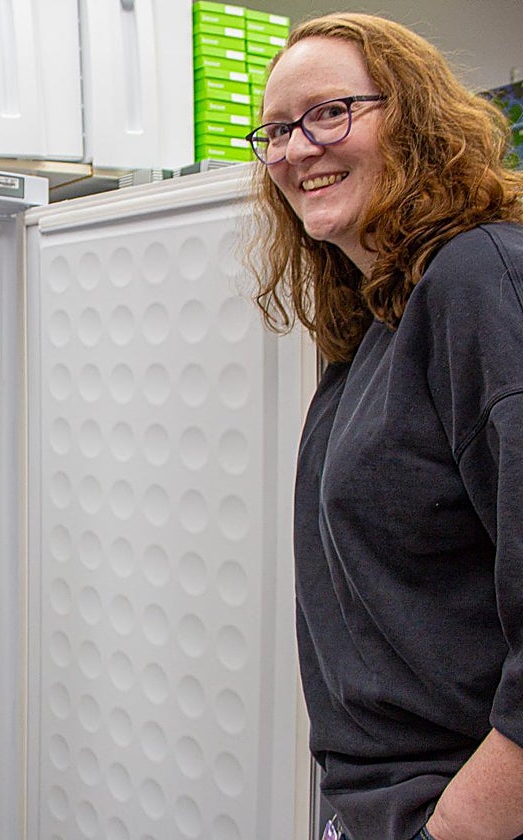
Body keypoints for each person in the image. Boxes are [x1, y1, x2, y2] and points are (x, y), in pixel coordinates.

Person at [245, 12, 523, 840]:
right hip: (379, 804)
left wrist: (455, 828)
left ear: (417, 119)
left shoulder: (482, 279)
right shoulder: (376, 321)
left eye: (330, 113)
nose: (297, 149)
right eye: (276, 130)